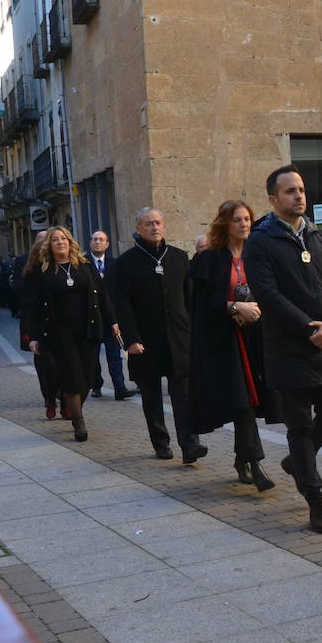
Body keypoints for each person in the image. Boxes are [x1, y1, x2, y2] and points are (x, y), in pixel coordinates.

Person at [244, 165, 322, 532]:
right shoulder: (260, 241)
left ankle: (297, 463)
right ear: (273, 200)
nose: (299, 196)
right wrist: (308, 329)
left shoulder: (319, 236)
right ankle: (315, 499)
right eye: (289, 191)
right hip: (290, 349)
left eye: (301, 189)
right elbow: (268, 296)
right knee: (300, 426)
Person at [190, 200, 276, 494]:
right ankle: (255, 464)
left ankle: (243, 459)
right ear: (225, 223)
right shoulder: (209, 259)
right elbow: (197, 303)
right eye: (238, 220)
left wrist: (257, 308)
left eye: (248, 219)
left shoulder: (258, 255)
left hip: (255, 337)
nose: (244, 224)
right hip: (224, 341)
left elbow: (271, 290)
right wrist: (232, 306)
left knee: (250, 401)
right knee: (241, 400)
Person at [111, 207, 207, 463]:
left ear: (164, 227)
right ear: (138, 228)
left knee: (184, 396)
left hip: (178, 337)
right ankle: (161, 443)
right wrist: (130, 339)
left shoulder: (178, 257)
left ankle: (190, 445)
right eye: (148, 223)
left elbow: (190, 299)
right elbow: (122, 304)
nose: (154, 227)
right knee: (152, 397)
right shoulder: (126, 263)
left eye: (158, 223)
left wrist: (194, 333)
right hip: (145, 340)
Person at [25, 227, 118, 442]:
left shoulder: (84, 265)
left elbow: (102, 294)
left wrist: (112, 321)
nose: (60, 243)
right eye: (55, 240)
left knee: (86, 376)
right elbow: (32, 305)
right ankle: (78, 420)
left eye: (63, 239)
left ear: (70, 242)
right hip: (58, 333)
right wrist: (33, 336)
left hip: (87, 330)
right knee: (71, 375)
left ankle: (72, 401)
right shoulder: (43, 270)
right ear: (50, 245)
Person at [14, 233, 60, 418]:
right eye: (42, 240)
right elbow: (18, 288)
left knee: (62, 362)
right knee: (44, 363)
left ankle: (64, 396)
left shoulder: (59, 260)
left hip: (59, 319)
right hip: (36, 320)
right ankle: (49, 398)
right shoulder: (25, 262)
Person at [86, 231, 136, 401]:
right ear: (90, 243)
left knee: (114, 353)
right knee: (92, 355)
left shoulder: (115, 264)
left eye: (101, 240)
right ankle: (96, 385)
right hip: (91, 317)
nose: (97, 242)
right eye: (94, 239)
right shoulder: (83, 264)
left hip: (111, 318)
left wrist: (118, 318)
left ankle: (119, 388)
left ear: (107, 244)